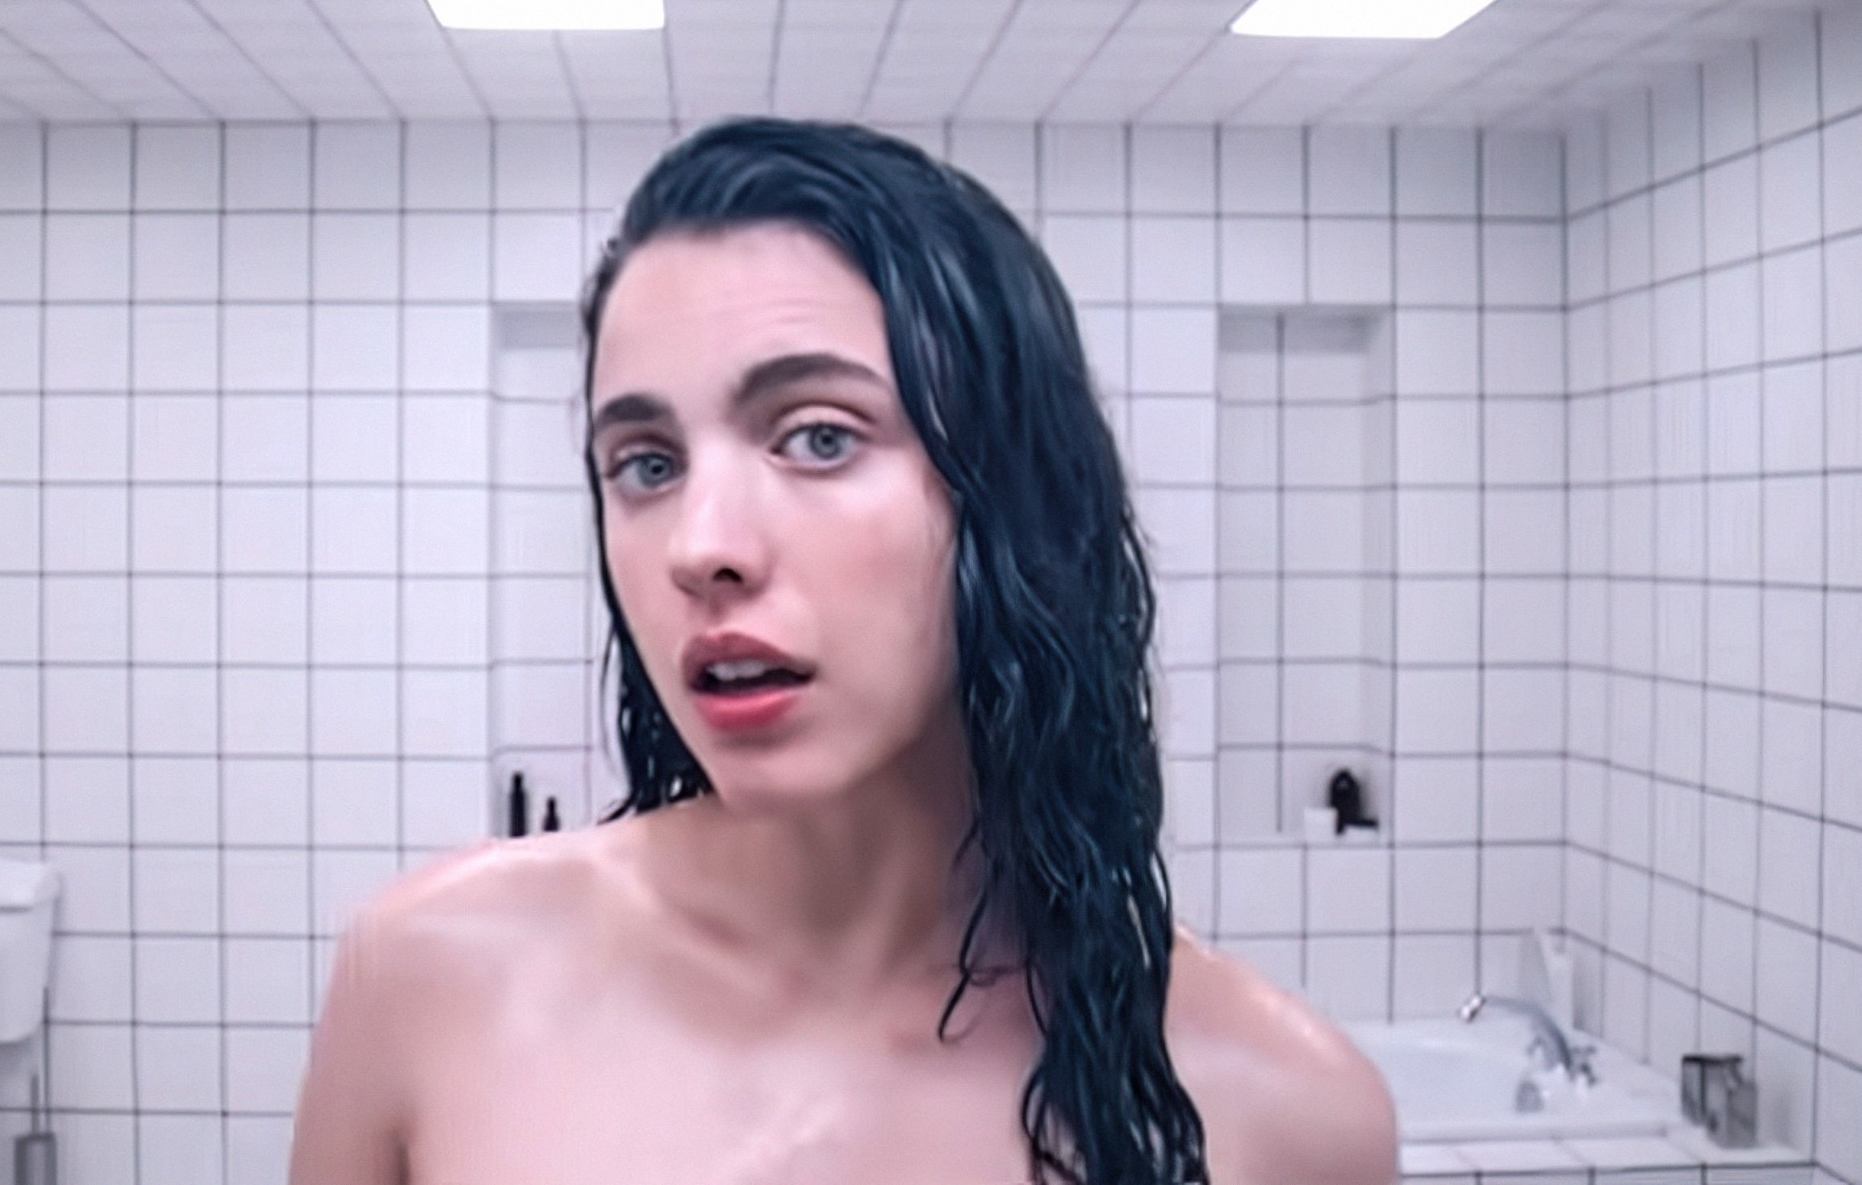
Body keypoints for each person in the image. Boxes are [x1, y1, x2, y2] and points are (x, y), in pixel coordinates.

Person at [287, 118, 1397, 1184]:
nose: (701, 547)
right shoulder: (434, 976)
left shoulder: (1279, 1110)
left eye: (819, 436)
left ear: (1011, 498)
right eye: (645, 462)